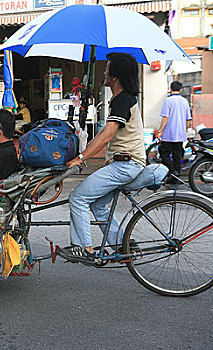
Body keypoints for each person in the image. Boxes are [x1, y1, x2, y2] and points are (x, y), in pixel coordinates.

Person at [58, 53, 146, 266]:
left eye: (107, 68)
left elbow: (106, 135)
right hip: (124, 163)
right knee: (98, 205)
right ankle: (122, 243)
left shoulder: (123, 99)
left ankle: (84, 248)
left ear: (115, 76)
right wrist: (83, 152)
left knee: (78, 198)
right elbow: (104, 135)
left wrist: (80, 157)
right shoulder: (120, 99)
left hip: (126, 165)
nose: (104, 72)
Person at [157, 81, 192, 184]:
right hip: (180, 134)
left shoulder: (168, 101)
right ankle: (176, 177)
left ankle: (172, 172)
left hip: (169, 134)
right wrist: (185, 131)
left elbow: (165, 117)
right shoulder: (185, 101)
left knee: (163, 152)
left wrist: (160, 131)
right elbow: (188, 119)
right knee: (177, 155)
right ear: (180, 89)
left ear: (170, 88)